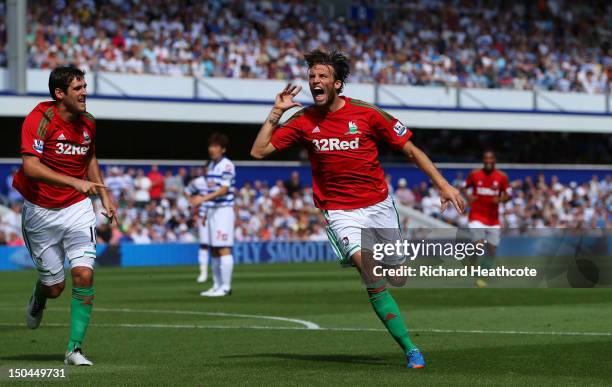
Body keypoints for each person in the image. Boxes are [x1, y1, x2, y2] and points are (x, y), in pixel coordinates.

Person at [251, 49, 464, 369]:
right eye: (311, 77)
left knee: (400, 278)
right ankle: (411, 349)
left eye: (322, 76)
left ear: (338, 84)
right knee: (371, 273)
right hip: (340, 212)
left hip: (379, 206)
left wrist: (443, 185)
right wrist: (275, 113)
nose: (315, 81)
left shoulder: (367, 114)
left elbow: (409, 149)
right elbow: (259, 151)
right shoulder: (303, 120)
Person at [14, 66, 117, 366]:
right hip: (40, 211)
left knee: (84, 274)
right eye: (78, 88)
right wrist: (74, 181)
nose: (85, 92)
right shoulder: (40, 118)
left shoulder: (89, 123)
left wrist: (105, 197)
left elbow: (90, 157)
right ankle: (39, 296)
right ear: (60, 94)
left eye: (85, 86)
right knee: (56, 287)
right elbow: (30, 166)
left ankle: (74, 350)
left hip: (77, 208)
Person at [188, 133, 236, 296]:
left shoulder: (227, 165)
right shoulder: (210, 166)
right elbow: (210, 189)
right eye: (210, 146)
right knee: (214, 249)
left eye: (215, 146)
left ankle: (226, 287)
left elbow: (224, 189)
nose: (212, 149)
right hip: (212, 211)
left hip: (223, 211)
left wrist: (202, 199)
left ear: (223, 149)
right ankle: (216, 285)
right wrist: (204, 210)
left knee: (223, 248)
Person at [463, 150, 511, 287]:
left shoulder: (502, 177)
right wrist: (468, 196)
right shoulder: (474, 174)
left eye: (491, 158)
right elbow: (464, 187)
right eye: (486, 158)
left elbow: (509, 194)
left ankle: (483, 277)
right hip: (476, 216)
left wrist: (501, 199)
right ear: (483, 160)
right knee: (478, 245)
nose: (488, 161)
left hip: (493, 219)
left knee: (492, 249)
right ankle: (471, 261)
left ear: (495, 160)